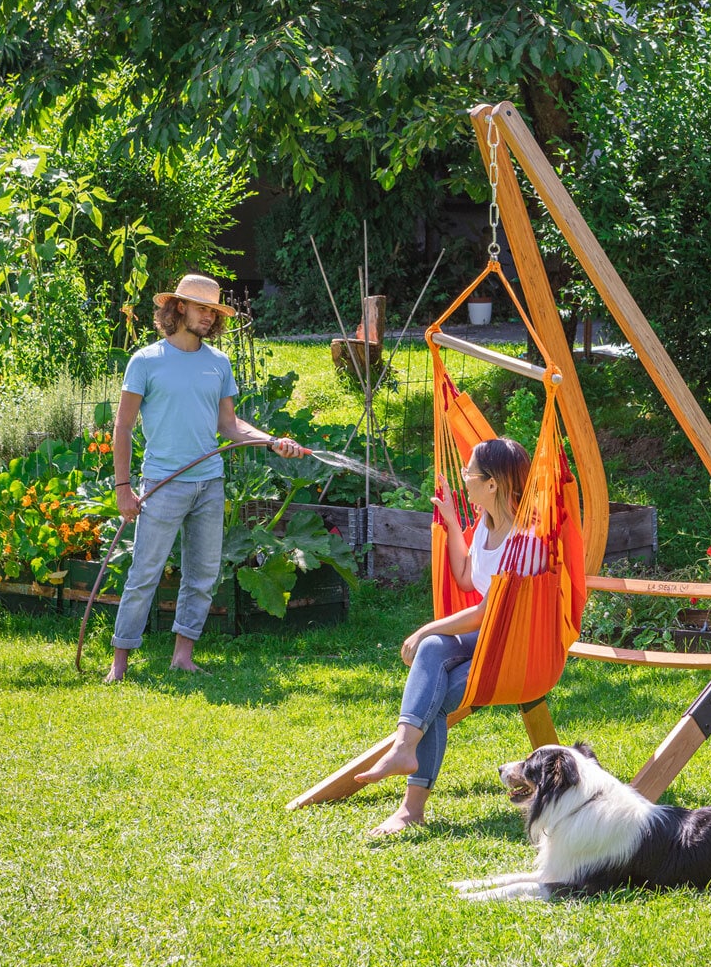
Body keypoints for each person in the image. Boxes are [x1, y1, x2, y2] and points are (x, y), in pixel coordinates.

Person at [104, 273, 308, 683]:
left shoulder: (218, 362)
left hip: (209, 485)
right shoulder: (146, 360)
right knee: (144, 573)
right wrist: (123, 487)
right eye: (202, 309)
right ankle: (119, 663)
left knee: (202, 575)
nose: (209, 318)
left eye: (213, 312)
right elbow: (122, 428)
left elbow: (229, 425)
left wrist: (271, 441)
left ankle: (183, 655)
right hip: (163, 484)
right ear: (178, 308)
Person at [356, 435, 541, 837]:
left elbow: (485, 612)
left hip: (514, 653)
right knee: (435, 649)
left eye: (469, 472)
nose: (464, 478)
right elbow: (463, 577)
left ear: (491, 483)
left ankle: (410, 806)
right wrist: (455, 525)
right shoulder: (486, 528)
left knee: (432, 659)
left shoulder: (525, 540)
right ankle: (405, 757)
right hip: (487, 643)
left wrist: (424, 627)